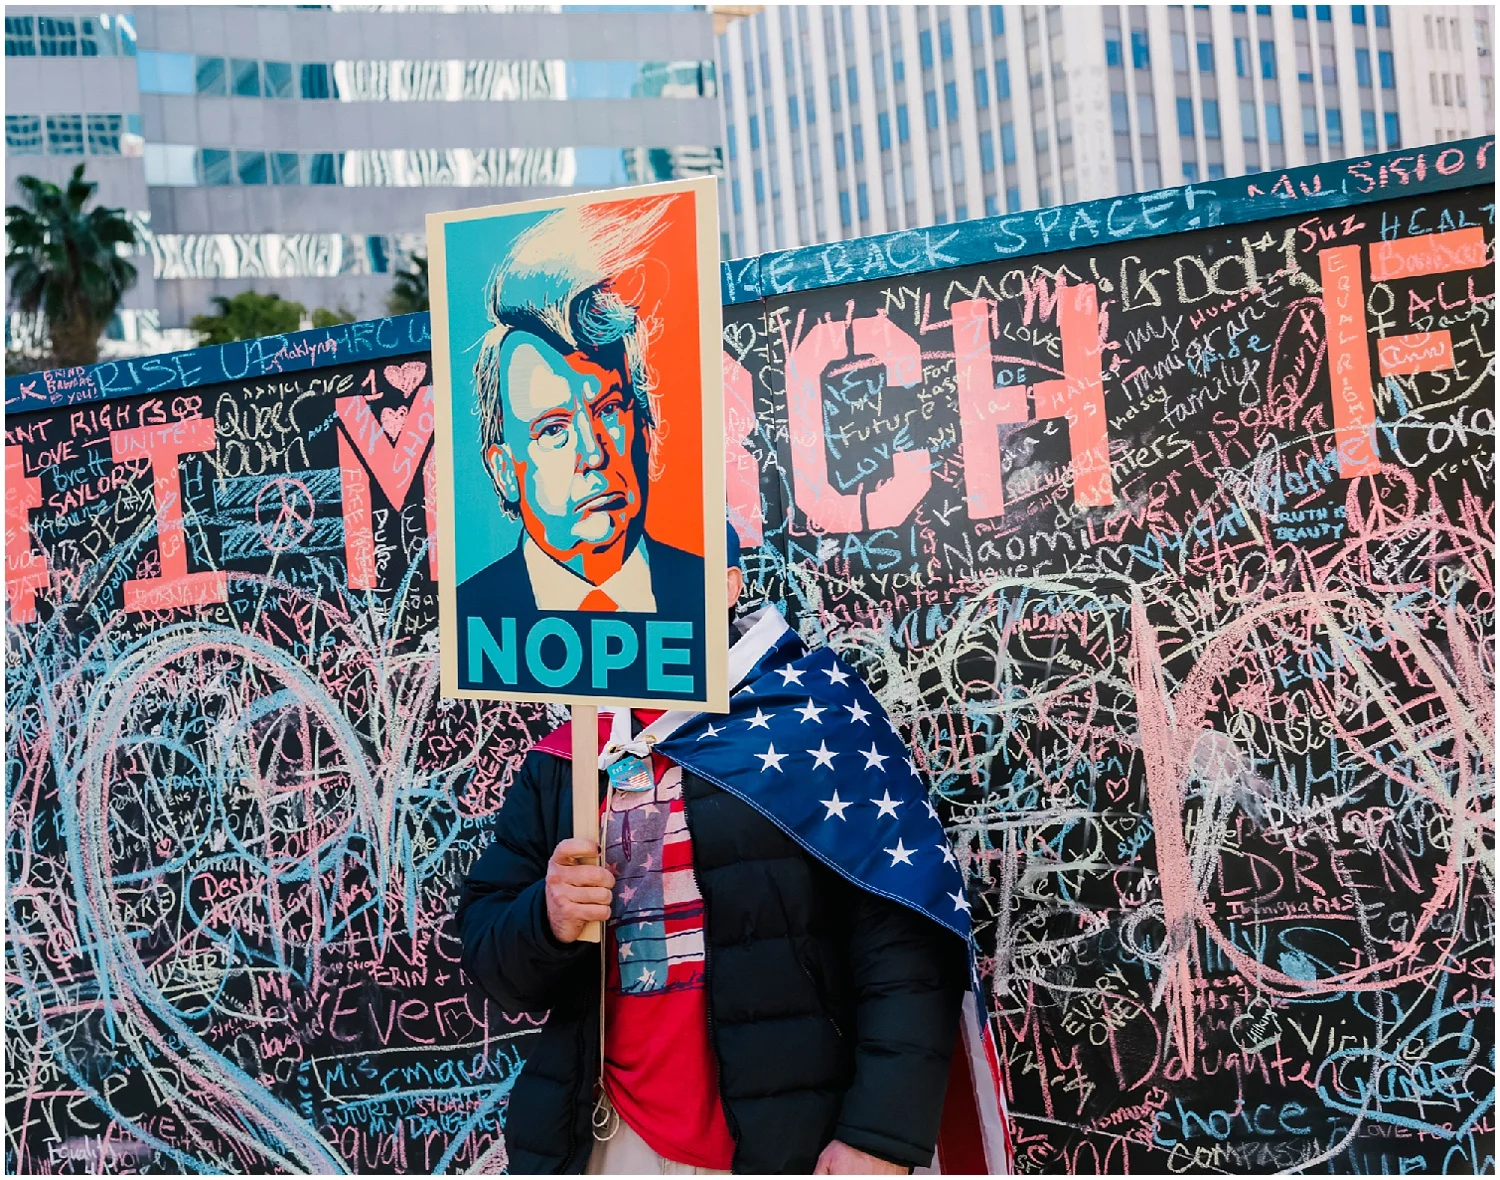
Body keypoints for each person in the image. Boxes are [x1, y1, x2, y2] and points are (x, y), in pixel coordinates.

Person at [456, 525, 971, 1175]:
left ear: (728, 588)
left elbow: (904, 938)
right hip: (605, 1139)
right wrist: (547, 916)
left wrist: (879, 1134)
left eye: (654, 571)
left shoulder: (815, 722)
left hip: (781, 1143)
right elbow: (490, 952)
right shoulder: (570, 754)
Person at [454, 199, 703, 621]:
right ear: (502, 471)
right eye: (552, 430)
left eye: (609, 409)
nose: (594, 454)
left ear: (643, 428)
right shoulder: (472, 614)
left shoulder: (704, 593)